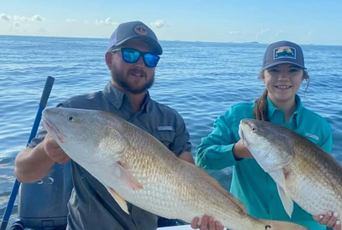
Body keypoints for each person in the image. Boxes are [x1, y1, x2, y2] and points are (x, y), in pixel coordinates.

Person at [14, 21, 223, 230]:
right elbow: (23, 173)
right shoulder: (76, 110)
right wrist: (45, 150)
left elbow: (190, 174)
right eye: (130, 54)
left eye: (150, 59)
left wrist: (208, 215)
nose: (140, 64)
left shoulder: (170, 118)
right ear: (109, 58)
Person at [196, 41, 341, 230]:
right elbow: (202, 158)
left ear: (303, 76)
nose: (283, 78)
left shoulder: (319, 127)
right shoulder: (239, 116)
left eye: (292, 70)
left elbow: (328, 182)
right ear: (262, 75)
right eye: (274, 70)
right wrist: (236, 151)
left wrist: (332, 218)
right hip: (247, 224)